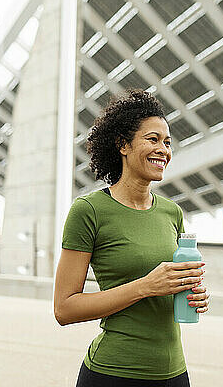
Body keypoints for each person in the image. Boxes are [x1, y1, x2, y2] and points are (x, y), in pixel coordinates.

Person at [54, 89, 210, 386]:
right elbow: (64, 309)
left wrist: (194, 294)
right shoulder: (89, 211)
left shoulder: (172, 213)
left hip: (174, 373)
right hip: (113, 373)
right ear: (123, 145)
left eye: (167, 142)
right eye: (152, 140)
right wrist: (145, 286)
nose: (163, 149)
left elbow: (171, 287)